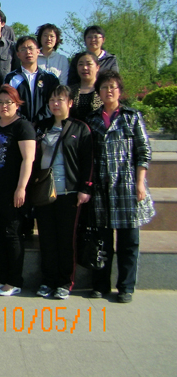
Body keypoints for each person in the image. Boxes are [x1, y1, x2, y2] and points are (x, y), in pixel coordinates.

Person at [86, 71, 155, 303]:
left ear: (120, 91)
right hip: (101, 189)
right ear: (99, 92)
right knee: (101, 241)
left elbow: (143, 152)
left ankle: (126, 287)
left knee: (128, 242)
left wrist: (140, 183)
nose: (109, 91)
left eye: (113, 87)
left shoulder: (131, 117)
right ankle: (100, 285)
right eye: (104, 87)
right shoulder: (93, 119)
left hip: (127, 187)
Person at [34, 85, 93, 299]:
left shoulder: (80, 128)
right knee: (47, 238)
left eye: (60, 99)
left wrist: (85, 188)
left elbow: (88, 161)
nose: (55, 103)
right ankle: (47, 280)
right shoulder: (42, 127)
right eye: (52, 100)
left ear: (70, 103)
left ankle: (65, 282)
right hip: (44, 192)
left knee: (66, 240)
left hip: (69, 192)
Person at [0, 85, 36, 296]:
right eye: (0, 102)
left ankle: (14, 280)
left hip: (12, 191)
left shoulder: (23, 127)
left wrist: (21, 188)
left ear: (17, 104)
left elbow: (28, 160)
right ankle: (1, 277)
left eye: (8, 102)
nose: (4, 106)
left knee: (11, 234)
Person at [5, 36, 60, 124]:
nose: (28, 52)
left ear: (38, 51)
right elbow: (8, 102)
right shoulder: (11, 78)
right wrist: (24, 123)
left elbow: (54, 102)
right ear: (18, 54)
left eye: (31, 48)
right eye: (23, 49)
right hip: (20, 126)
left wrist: (39, 121)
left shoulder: (50, 78)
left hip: (46, 126)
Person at [69, 52, 103, 121]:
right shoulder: (70, 91)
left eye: (89, 64)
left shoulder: (103, 90)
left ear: (97, 67)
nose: (84, 68)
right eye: (81, 64)